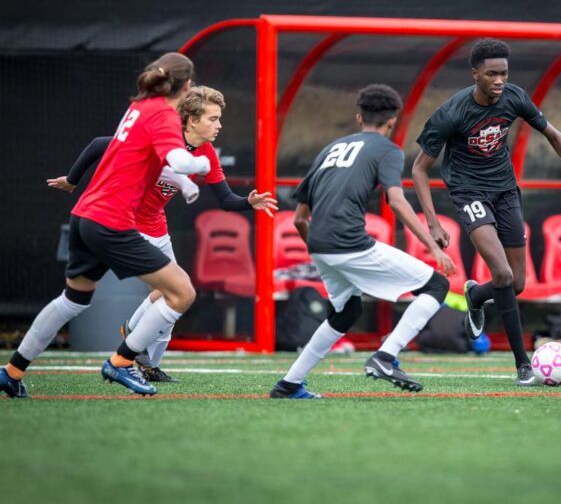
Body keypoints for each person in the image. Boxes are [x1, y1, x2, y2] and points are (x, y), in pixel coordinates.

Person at [0, 53, 212, 398]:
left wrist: (184, 183)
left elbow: (140, 156)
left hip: (85, 215)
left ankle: (11, 372)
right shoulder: (162, 114)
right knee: (181, 292)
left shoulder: (140, 107)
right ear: (186, 86)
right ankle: (121, 362)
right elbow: (179, 159)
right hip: (112, 222)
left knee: (73, 300)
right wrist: (200, 167)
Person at [411, 38, 561, 386]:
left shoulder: (515, 97)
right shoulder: (451, 113)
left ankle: (475, 295)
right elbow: (418, 169)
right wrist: (431, 222)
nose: (499, 80)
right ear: (475, 74)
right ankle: (522, 364)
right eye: (491, 74)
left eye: (504, 73)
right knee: (502, 274)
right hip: (469, 193)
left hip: (506, 192)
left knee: (517, 282)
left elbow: (554, 136)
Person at [45, 86, 278, 382]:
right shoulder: (160, 137)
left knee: (174, 295)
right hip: (123, 222)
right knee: (167, 291)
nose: (220, 125)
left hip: (156, 226)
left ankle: (148, 365)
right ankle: (128, 339)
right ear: (191, 120)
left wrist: (249, 202)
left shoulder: (205, 152)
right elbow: (97, 145)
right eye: (214, 118)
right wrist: (73, 180)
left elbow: (225, 200)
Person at [269, 84, 456, 399]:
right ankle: (386, 356)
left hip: (319, 245)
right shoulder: (387, 150)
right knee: (436, 285)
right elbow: (396, 200)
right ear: (392, 122)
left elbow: (300, 218)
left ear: (359, 118)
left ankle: (288, 384)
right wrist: (434, 246)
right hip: (349, 243)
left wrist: (319, 251)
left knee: (347, 312)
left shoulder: (330, 149)